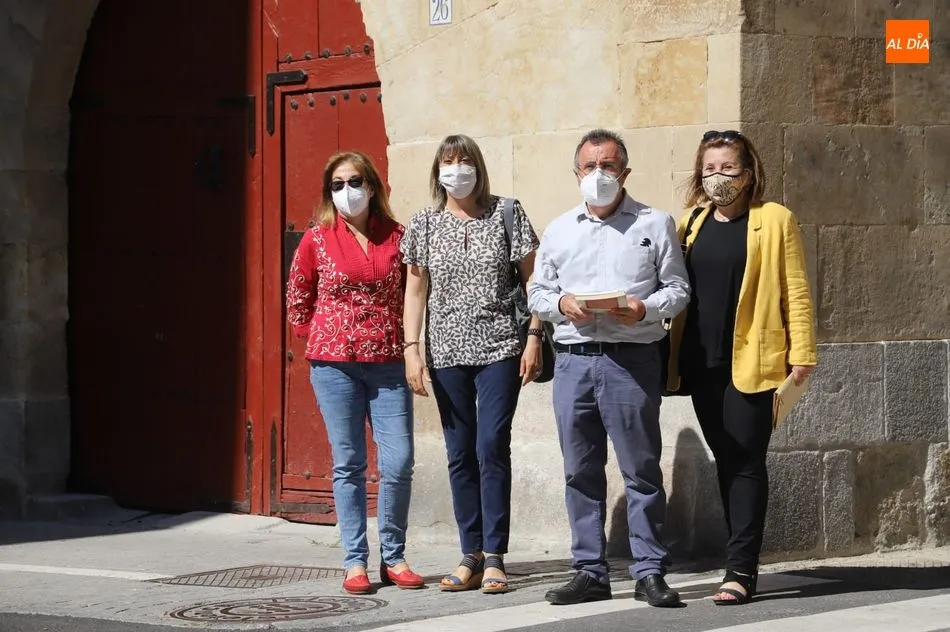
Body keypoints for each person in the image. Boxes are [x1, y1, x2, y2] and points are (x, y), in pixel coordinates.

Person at [528, 129, 690, 608]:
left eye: (609, 165)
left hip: (631, 360)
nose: (599, 174)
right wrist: (563, 302)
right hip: (575, 363)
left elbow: (678, 289)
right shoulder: (559, 229)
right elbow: (537, 293)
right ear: (576, 173)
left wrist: (643, 308)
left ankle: (649, 570)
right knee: (580, 470)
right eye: (589, 166)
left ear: (625, 172)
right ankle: (589, 570)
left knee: (640, 470)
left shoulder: (655, 223)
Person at [667, 130, 817, 605]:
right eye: (710, 168)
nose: (718, 177)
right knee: (726, 459)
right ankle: (740, 557)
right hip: (701, 359)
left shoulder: (774, 220)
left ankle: (740, 569)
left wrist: (803, 353)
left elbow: (795, 287)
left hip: (754, 359)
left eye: (728, 168)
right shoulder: (689, 223)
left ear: (748, 173)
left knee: (747, 460)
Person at [401, 134, 543, 594]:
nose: (456, 169)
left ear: (478, 167)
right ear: (436, 171)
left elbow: (535, 280)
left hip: (500, 348)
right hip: (445, 354)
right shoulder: (423, 223)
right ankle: (470, 554)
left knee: (490, 443)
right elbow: (416, 290)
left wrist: (534, 338)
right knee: (459, 452)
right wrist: (411, 348)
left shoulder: (506, 212)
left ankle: (497, 555)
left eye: (464, 161)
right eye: (447, 162)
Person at [286, 151, 423, 594]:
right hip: (334, 365)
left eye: (357, 180)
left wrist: (410, 346)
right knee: (349, 464)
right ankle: (354, 561)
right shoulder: (317, 238)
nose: (349, 191)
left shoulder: (398, 236)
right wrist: (320, 335)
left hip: (387, 362)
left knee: (399, 461)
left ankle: (394, 555)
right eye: (339, 184)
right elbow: (297, 296)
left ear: (374, 185)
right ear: (329, 191)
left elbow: (412, 294)